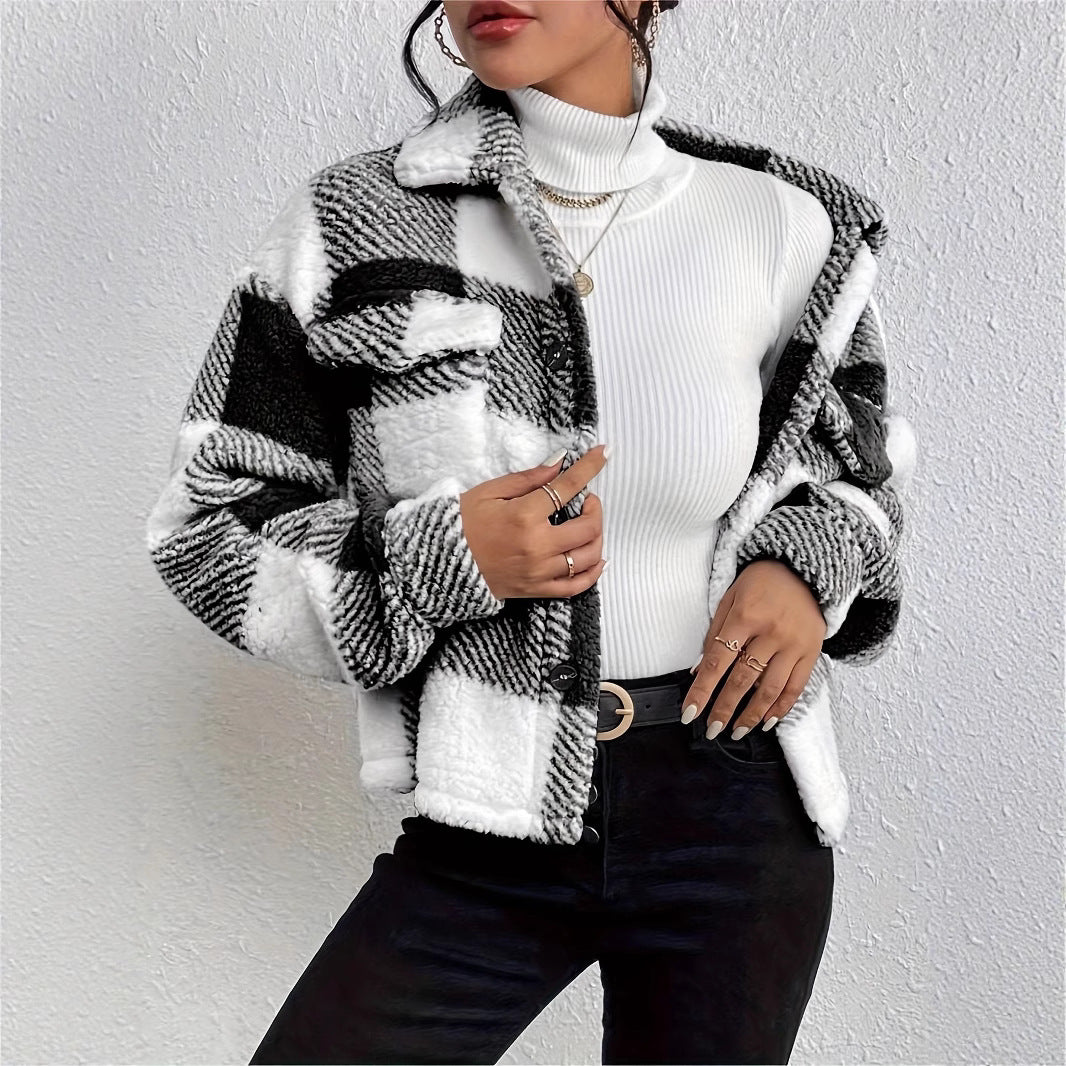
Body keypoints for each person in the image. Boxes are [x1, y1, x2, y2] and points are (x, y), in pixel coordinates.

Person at [146, 1, 916, 1062]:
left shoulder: (784, 221)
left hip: (738, 807)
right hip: (486, 818)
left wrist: (807, 563)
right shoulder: (359, 218)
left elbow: (859, 466)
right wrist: (435, 564)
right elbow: (207, 520)